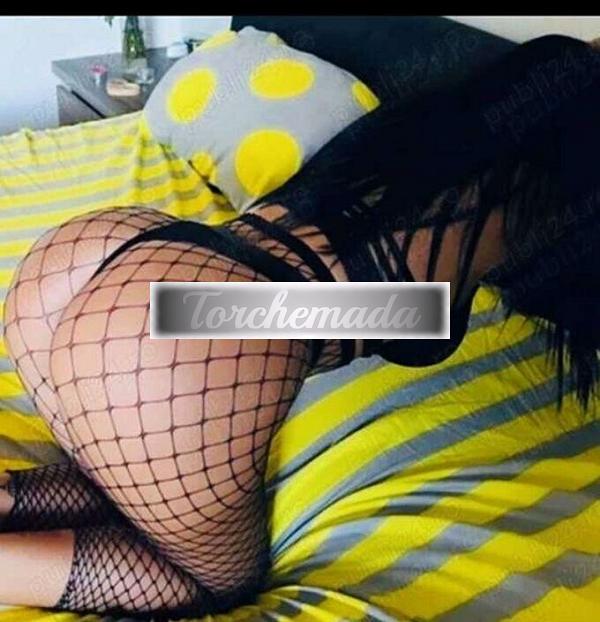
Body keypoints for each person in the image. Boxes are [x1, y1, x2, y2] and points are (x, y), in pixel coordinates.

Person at [1, 34, 598, 617]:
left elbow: (393, 307)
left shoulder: (417, 135)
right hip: (202, 316)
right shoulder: (544, 199)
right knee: (212, 585)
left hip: (95, 251)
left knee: (123, 488)